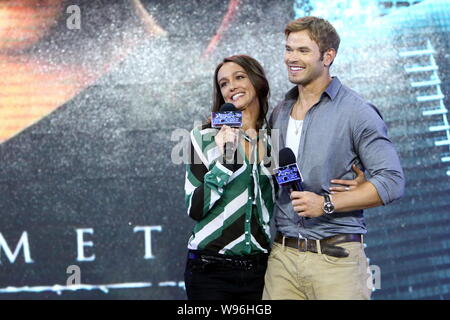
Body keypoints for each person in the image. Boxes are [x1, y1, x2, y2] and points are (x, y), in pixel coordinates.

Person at [263, 16, 405, 300]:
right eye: (289, 49)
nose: (291, 57)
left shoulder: (357, 111)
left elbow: (392, 181)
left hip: (337, 261)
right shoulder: (278, 112)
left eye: (303, 51)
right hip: (282, 259)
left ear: (328, 56)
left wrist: (327, 203)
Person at [183, 55, 274, 300]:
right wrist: (226, 162)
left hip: (261, 270)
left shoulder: (275, 138)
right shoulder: (203, 136)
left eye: (239, 77)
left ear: (257, 81)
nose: (231, 86)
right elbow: (195, 207)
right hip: (211, 271)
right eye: (223, 83)